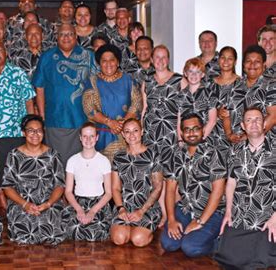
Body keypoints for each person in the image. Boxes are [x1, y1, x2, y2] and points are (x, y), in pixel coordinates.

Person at [215, 107, 276, 269]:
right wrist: (228, 211)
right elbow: (232, 182)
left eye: (258, 119)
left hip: (269, 215)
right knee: (228, 258)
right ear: (243, 125)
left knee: (262, 259)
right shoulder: (235, 151)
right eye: (249, 120)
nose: (254, 123)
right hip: (242, 214)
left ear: (264, 124)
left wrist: (275, 218)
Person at [160, 114, 226, 258]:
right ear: (182, 133)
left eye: (196, 129)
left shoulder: (214, 153)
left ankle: (220, 243)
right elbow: (170, 190)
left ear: (203, 131)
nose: (191, 133)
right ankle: (192, 235)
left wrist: (200, 222)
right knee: (168, 244)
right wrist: (171, 219)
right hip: (185, 209)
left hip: (211, 213)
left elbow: (218, 191)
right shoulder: (177, 155)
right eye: (187, 129)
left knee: (191, 248)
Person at [32, 24, 98, 165]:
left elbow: (98, 86)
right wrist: (42, 116)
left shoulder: (88, 56)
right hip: (55, 119)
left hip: (84, 119)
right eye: (62, 34)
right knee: (57, 164)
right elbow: (39, 87)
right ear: (57, 37)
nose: (66, 37)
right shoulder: (47, 57)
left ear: (76, 36)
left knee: (83, 165)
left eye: (69, 34)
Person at [2, 115, 69, 245]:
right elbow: (7, 187)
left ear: (43, 132)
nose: (35, 134)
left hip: (48, 203)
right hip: (21, 203)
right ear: (23, 132)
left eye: (39, 130)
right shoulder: (14, 155)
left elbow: (60, 186)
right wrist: (25, 204)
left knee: (51, 233)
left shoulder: (53, 155)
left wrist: (48, 204)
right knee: (25, 233)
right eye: (31, 130)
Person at [110, 118, 163, 247]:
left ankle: (140, 230)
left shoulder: (153, 155)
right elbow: (115, 188)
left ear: (142, 132)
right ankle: (129, 229)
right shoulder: (118, 157)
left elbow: (158, 187)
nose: (131, 135)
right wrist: (121, 209)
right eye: (127, 131)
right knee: (119, 239)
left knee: (138, 240)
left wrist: (141, 211)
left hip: (147, 208)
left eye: (135, 131)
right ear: (123, 134)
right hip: (125, 207)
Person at [82, 44, 140, 161]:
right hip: (101, 136)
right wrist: (109, 122)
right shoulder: (92, 81)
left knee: (126, 169)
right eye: (104, 61)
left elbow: (136, 103)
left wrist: (122, 124)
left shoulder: (128, 80)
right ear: (99, 64)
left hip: (127, 135)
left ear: (118, 62)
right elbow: (88, 107)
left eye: (112, 60)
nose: (108, 64)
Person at [64, 122, 112, 241]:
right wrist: (79, 209)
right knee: (71, 230)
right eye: (85, 136)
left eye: (92, 136)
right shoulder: (72, 160)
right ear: (80, 138)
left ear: (97, 138)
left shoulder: (104, 161)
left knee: (95, 233)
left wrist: (92, 211)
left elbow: (109, 193)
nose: (88, 139)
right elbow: (68, 191)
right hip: (78, 202)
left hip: (98, 203)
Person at [0, 41, 35, 139]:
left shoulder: (18, 73)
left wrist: (31, 126)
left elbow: (28, 101)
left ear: (6, 53)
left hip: (15, 132)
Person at [221, 45, 276, 139]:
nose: (252, 65)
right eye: (248, 61)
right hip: (236, 146)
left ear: (264, 65)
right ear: (243, 65)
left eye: (257, 62)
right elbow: (226, 113)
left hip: (263, 144)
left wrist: (247, 136)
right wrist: (229, 134)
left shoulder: (271, 85)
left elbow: (273, 116)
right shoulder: (234, 85)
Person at [141, 45, 183, 166]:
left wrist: (180, 135)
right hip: (151, 133)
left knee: (171, 171)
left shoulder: (179, 80)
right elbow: (144, 109)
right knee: (153, 170)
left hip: (171, 133)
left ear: (168, 60)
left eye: (164, 57)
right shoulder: (147, 81)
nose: (160, 60)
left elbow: (182, 111)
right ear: (152, 60)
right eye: (157, 57)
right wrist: (142, 132)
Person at [178, 58, 218, 143]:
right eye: (191, 71)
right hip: (186, 139)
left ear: (202, 74)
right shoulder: (180, 95)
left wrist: (200, 138)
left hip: (205, 139)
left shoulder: (210, 94)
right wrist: (180, 139)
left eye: (198, 72)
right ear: (185, 73)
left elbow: (212, 120)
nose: (194, 75)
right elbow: (178, 120)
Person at [211, 46, 242, 150]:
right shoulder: (209, 84)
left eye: (230, 58)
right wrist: (217, 113)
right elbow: (202, 109)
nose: (226, 61)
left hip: (237, 134)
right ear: (219, 59)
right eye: (223, 57)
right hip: (214, 135)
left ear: (235, 61)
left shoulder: (242, 83)